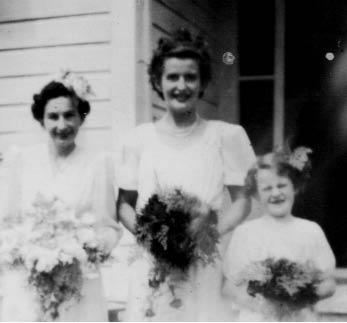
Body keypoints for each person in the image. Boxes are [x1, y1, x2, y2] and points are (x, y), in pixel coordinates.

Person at [117, 28, 256, 321]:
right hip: (153, 262)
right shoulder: (138, 139)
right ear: (157, 81)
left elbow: (243, 201)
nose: (182, 85)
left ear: (203, 82)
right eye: (172, 77)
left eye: (190, 77)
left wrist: (206, 233)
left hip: (204, 262)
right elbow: (123, 204)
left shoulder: (226, 136)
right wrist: (151, 237)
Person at [0, 71, 122, 321]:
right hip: (29, 280)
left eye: (69, 115)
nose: (62, 125)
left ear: (81, 117)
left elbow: (108, 227)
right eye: (53, 116)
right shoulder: (21, 160)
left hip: (77, 284)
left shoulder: (99, 162)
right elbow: (8, 222)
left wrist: (83, 248)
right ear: (41, 120)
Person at [223, 148, 336, 321]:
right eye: (267, 188)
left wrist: (298, 296)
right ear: (257, 193)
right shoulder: (245, 233)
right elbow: (230, 287)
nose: (275, 193)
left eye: (282, 185)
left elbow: (328, 284)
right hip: (259, 317)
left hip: (298, 317)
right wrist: (263, 306)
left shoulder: (310, 231)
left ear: (295, 187)